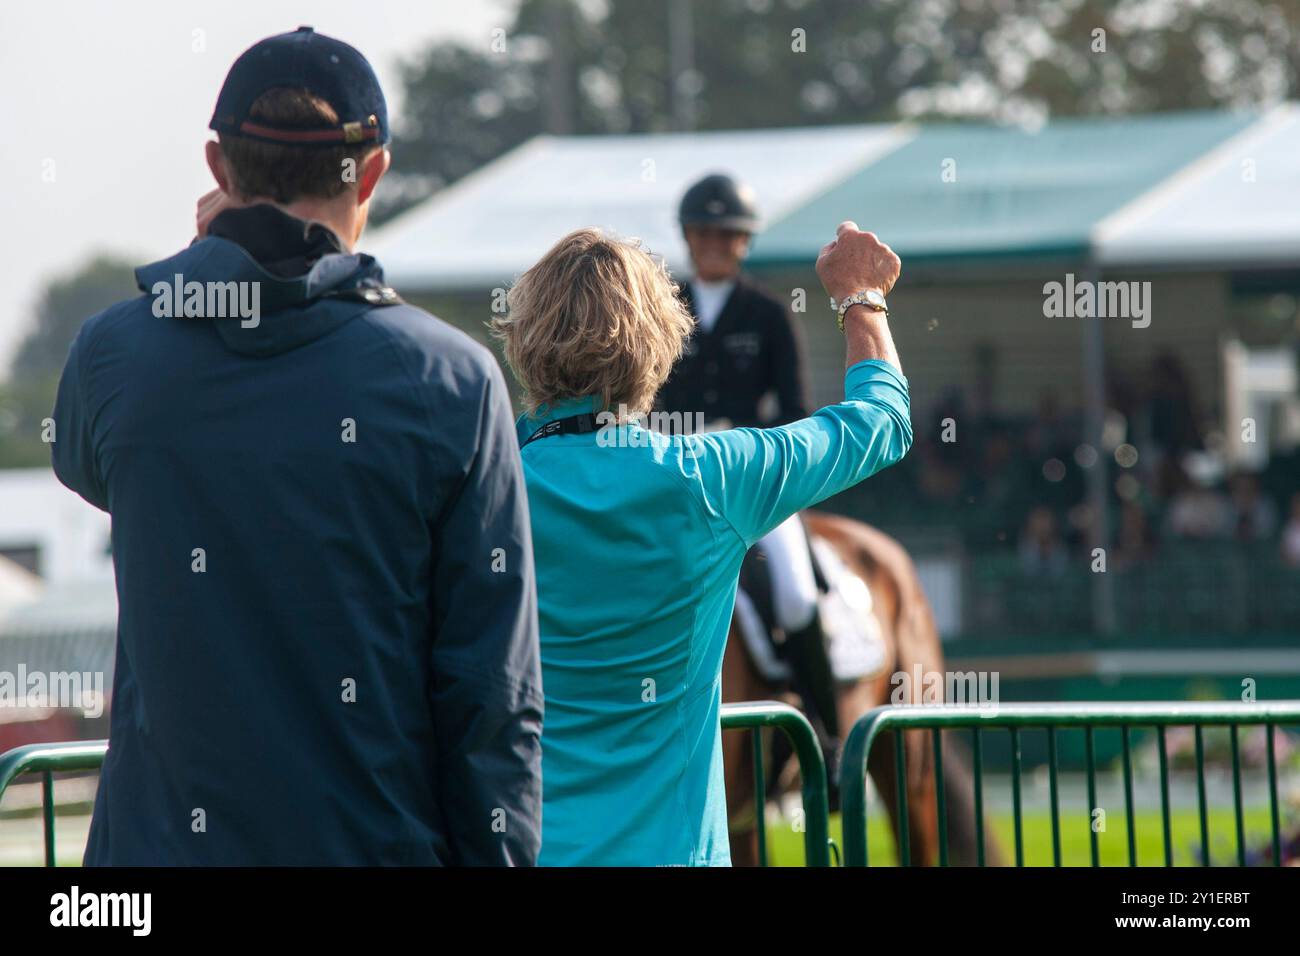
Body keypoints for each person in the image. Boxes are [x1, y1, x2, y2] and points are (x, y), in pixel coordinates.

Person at [50, 27, 542, 865]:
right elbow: (491, 697)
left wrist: (211, 271)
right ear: (374, 173)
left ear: (217, 168)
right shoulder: (453, 381)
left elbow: (97, 469)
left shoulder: (111, 354)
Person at [492, 221, 910, 865]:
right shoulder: (709, 476)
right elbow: (880, 422)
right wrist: (860, 296)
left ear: (521, 342)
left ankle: (823, 728)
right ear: (660, 344)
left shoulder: (475, 492)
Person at [655, 172, 843, 766]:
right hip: (674, 475)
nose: (714, 242)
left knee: (793, 594)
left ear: (744, 241)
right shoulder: (660, 309)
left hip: (749, 480)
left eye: (727, 232)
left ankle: (829, 736)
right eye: (704, 231)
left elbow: (794, 410)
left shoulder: (767, 314)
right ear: (688, 236)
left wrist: (748, 446)